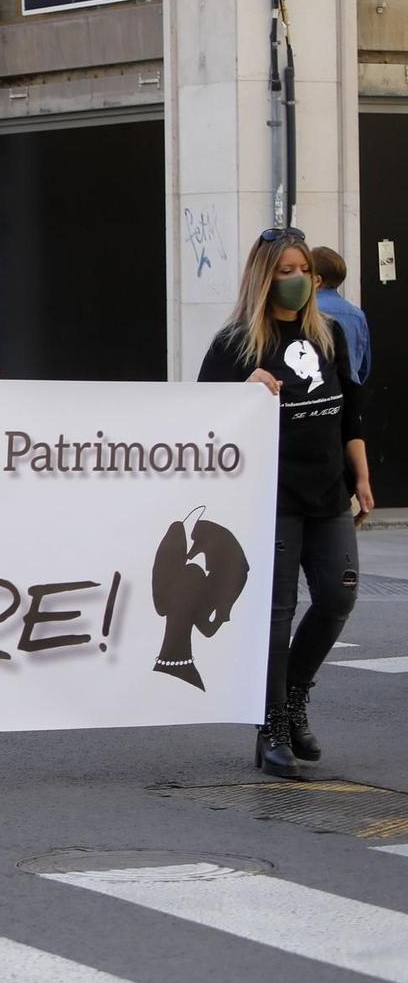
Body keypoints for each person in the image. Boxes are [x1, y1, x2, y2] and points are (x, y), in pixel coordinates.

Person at [198, 227, 373, 776]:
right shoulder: (236, 344)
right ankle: (270, 725)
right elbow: (201, 416)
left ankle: (295, 696)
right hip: (271, 494)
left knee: (336, 597)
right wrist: (240, 390)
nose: (297, 281)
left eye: (304, 271)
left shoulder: (329, 337)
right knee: (275, 613)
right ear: (263, 277)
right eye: (285, 271)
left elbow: (351, 412)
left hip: (329, 492)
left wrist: (362, 477)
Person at [311, 246, 372, 386]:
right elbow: (363, 366)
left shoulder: (306, 312)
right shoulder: (357, 315)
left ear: (316, 280)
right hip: (349, 392)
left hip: (318, 395)